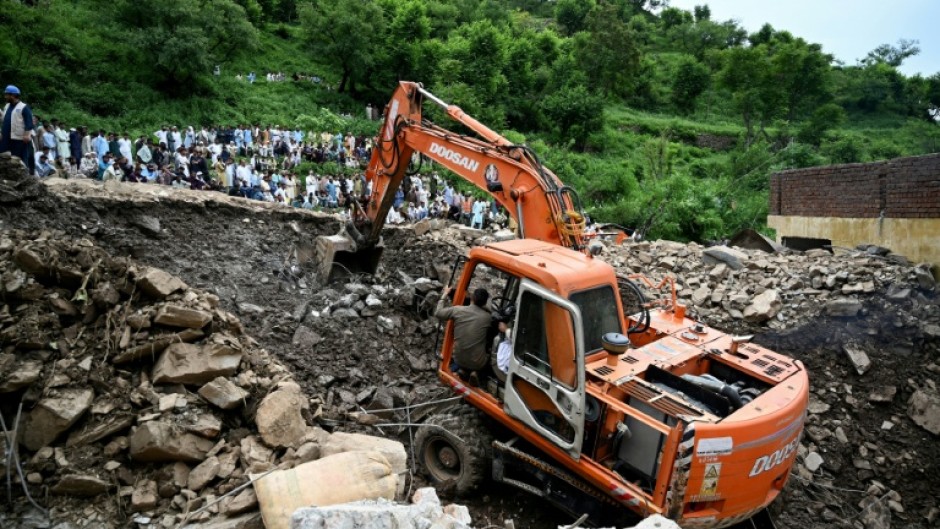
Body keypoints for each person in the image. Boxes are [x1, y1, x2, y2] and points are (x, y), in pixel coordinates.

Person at [435, 287, 492, 383]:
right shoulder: (487, 318)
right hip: (478, 363)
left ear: (472, 298)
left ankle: (463, 370)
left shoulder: (457, 310)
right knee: (490, 348)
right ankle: (476, 373)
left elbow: (438, 313)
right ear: (485, 303)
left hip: (458, 359)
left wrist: (445, 294)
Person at [0, 85, 35, 173]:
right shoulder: (7, 106)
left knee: (19, 159)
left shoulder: (24, 107)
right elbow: (5, 119)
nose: (5, 97)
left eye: (7, 95)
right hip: (6, 138)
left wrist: (26, 135)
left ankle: (25, 177)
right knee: (3, 157)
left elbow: (29, 123)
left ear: (13, 95)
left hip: (18, 139)